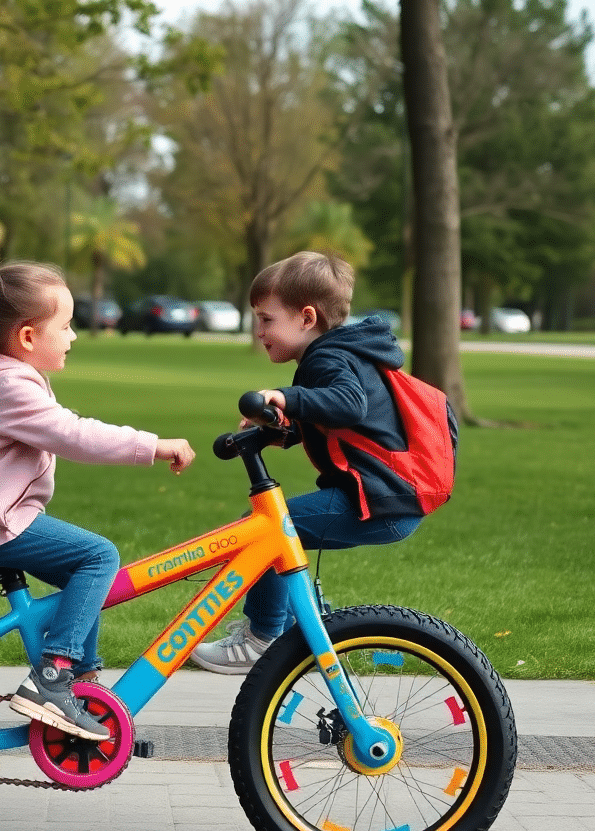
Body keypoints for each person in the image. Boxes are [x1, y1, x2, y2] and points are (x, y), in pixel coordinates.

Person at [0, 259, 196, 738]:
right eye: (66, 327)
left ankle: (80, 685)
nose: (73, 337)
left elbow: (66, 427)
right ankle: (52, 679)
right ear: (28, 337)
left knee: (81, 569)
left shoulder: (4, 378)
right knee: (97, 556)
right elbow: (74, 434)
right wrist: (153, 446)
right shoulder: (10, 386)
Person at [192, 250, 455, 675]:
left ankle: (262, 637)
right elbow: (338, 422)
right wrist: (281, 429)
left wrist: (287, 397)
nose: (259, 331)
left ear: (307, 318)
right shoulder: (340, 353)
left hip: (379, 502)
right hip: (386, 498)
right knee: (276, 531)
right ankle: (308, 636)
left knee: (265, 530)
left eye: (266, 319)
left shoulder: (328, 358)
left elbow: (348, 405)